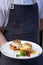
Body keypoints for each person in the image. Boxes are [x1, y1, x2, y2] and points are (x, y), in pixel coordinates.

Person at [0, 0, 39, 65]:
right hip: (10, 58)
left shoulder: (39, 1)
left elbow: (41, 22)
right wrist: (9, 50)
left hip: (34, 56)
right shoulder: (4, 1)